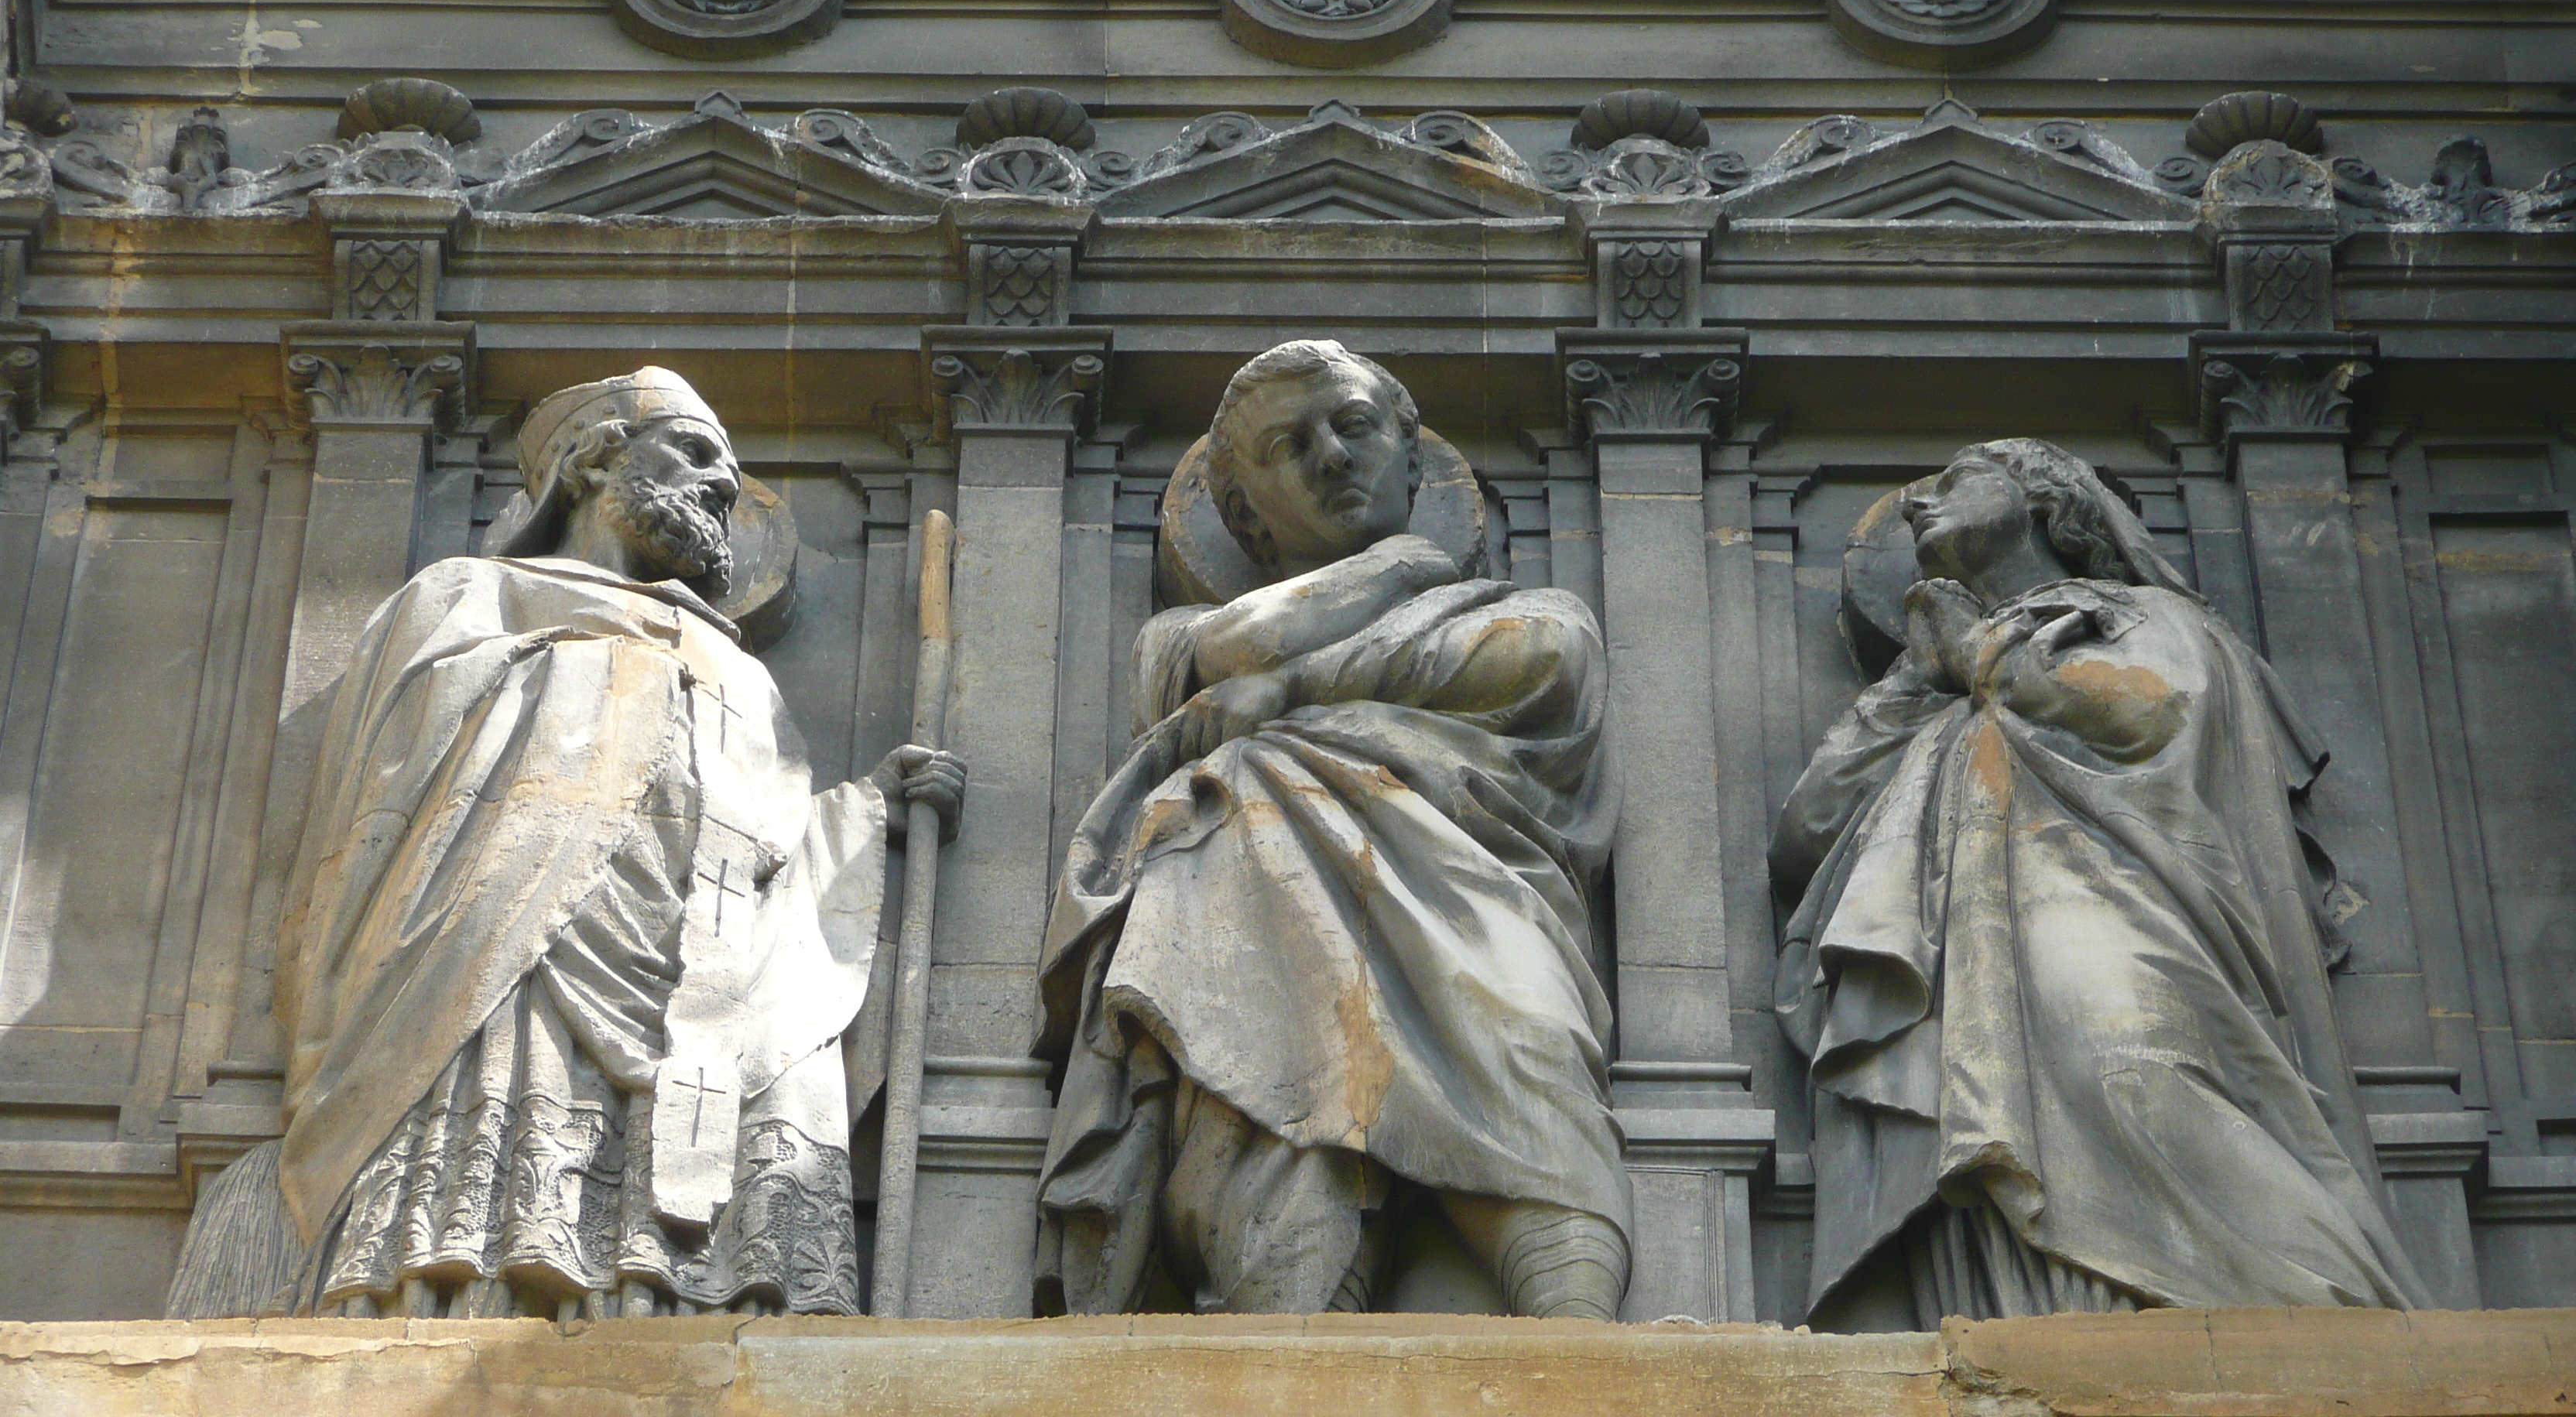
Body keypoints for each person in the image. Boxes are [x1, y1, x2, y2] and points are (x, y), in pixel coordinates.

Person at [166, 368, 961, 1320]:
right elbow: (392, 766)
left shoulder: (734, 666)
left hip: (690, 962)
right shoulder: (471, 594)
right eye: (694, 452)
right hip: (513, 921)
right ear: (592, 460)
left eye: (730, 469)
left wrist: (868, 810)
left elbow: (766, 843)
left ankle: (656, 1299)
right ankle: (458, 1296)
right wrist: (606, 678)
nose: (718, 484)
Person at [1772, 437, 2428, 1329]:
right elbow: (1807, 829)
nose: (1920, 504)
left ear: (2047, 501)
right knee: (1983, 1139)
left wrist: (1977, 654)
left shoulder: (2138, 616)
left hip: (2114, 903)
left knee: (2132, 1068)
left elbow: (2145, 710)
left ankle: (2328, 1317)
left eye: (1957, 480)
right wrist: (1915, 683)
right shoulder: (1928, 685)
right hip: (1962, 953)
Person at [1034, 341, 1630, 1319]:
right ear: (1241, 511)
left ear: (1407, 449)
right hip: (1260, 903)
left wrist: (1294, 688)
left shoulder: (1528, 611)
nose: (1332, 456)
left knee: (1527, 1049)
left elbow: (1540, 660)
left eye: (1354, 426)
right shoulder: (1177, 640)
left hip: (1476, 889)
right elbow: (1233, 645)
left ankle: (1583, 1352)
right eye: (1288, 444)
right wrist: (1398, 569)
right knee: (1277, 1110)